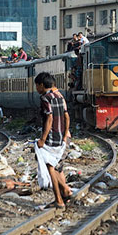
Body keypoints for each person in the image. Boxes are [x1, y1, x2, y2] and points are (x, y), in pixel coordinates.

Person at [34, 72, 72, 209]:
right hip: (61, 136)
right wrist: (65, 133)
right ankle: (65, 191)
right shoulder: (60, 96)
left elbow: (49, 118)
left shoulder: (45, 98)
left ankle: (58, 200)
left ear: (42, 85)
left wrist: (42, 139)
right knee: (57, 166)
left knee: (50, 167)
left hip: (50, 138)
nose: (36, 89)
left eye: (37, 86)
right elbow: (66, 116)